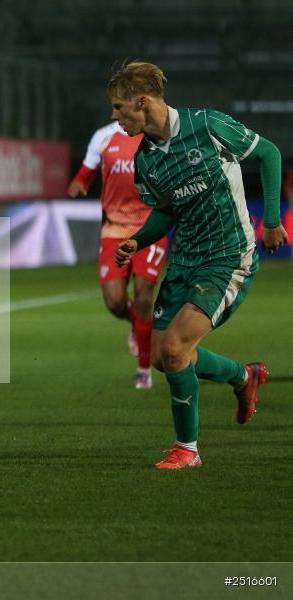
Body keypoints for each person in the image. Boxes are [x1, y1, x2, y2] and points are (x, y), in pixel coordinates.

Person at [110, 62, 287, 469]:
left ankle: (187, 450)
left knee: (175, 348)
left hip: (227, 257)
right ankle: (244, 376)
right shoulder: (147, 161)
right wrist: (138, 239)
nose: (114, 116)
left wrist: (273, 219)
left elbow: (268, 153)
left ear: (143, 102)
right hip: (185, 260)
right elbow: (166, 212)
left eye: (119, 108)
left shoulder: (206, 125)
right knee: (162, 356)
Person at [68, 121, 167, 389]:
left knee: (145, 295)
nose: (116, 109)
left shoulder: (157, 134)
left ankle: (144, 371)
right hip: (114, 229)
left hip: (150, 226)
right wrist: (79, 182)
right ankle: (135, 322)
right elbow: (85, 173)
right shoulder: (103, 136)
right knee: (114, 302)